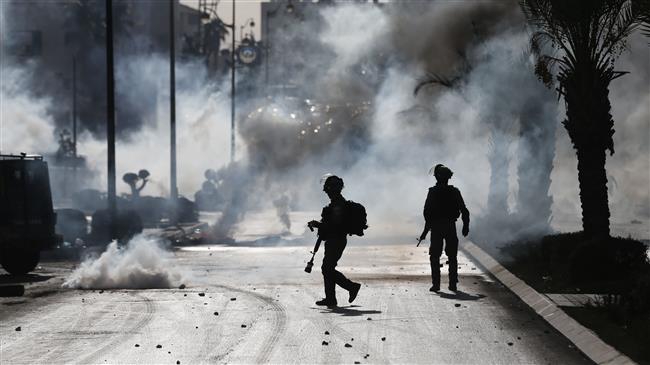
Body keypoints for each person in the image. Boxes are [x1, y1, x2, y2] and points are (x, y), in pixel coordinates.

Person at [308, 175, 362, 307]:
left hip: (336, 240)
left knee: (327, 268)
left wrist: (318, 225)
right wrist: (319, 224)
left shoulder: (338, 205)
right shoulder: (334, 204)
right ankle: (330, 298)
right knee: (328, 268)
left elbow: (334, 225)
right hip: (333, 240)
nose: (325, 191)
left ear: (332, 189)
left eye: (327, 188)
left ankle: (351, 287)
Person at [419, 164, 470, 292]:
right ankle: (453, 284)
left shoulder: (433, 192)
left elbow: (427, 214)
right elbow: (464, 211)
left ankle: (436, 284)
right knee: (452, 256)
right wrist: (465, 226)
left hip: (436, 228)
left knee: (435, 256)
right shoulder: (454, 191)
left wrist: (425, 231)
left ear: (437, 177)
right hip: (450, 227)